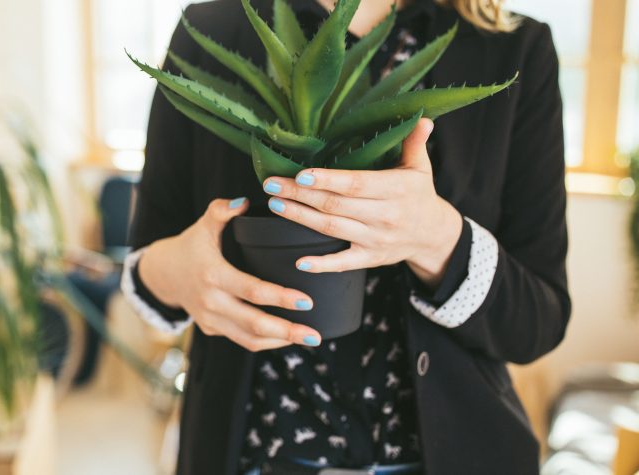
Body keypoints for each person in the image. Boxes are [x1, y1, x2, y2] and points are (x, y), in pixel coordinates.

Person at [120, 0, 570, 473]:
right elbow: (144, 271)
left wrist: (436, 238)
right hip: (257, 455)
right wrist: (178, 273)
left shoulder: (513, 46)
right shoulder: (212, 27)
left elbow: (539, 322)